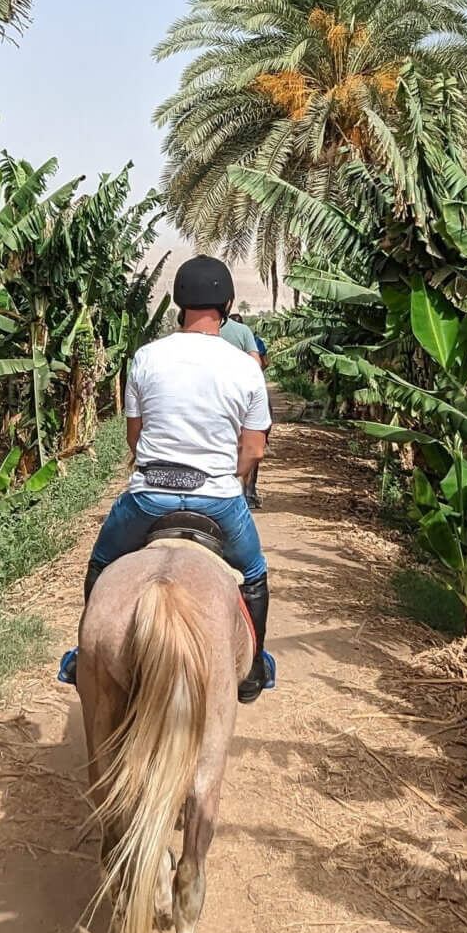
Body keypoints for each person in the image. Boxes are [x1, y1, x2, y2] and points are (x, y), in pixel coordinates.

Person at [73, 254, 275, 702]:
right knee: (255, 572)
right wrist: (226, 478)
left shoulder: (146, 357)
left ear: (178, 302)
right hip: (218, 501)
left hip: (148, 499)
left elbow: (134, 435)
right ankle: (254, 668)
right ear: (227, 302)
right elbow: (255, 448)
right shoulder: (245, 366)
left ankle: (82, 655)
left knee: (102, 564)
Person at [218, 306, 269, 507]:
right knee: (256, 437)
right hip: (243, 393)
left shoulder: (211, 332)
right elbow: (260, 363)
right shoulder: (247, 334)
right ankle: (249, 493)